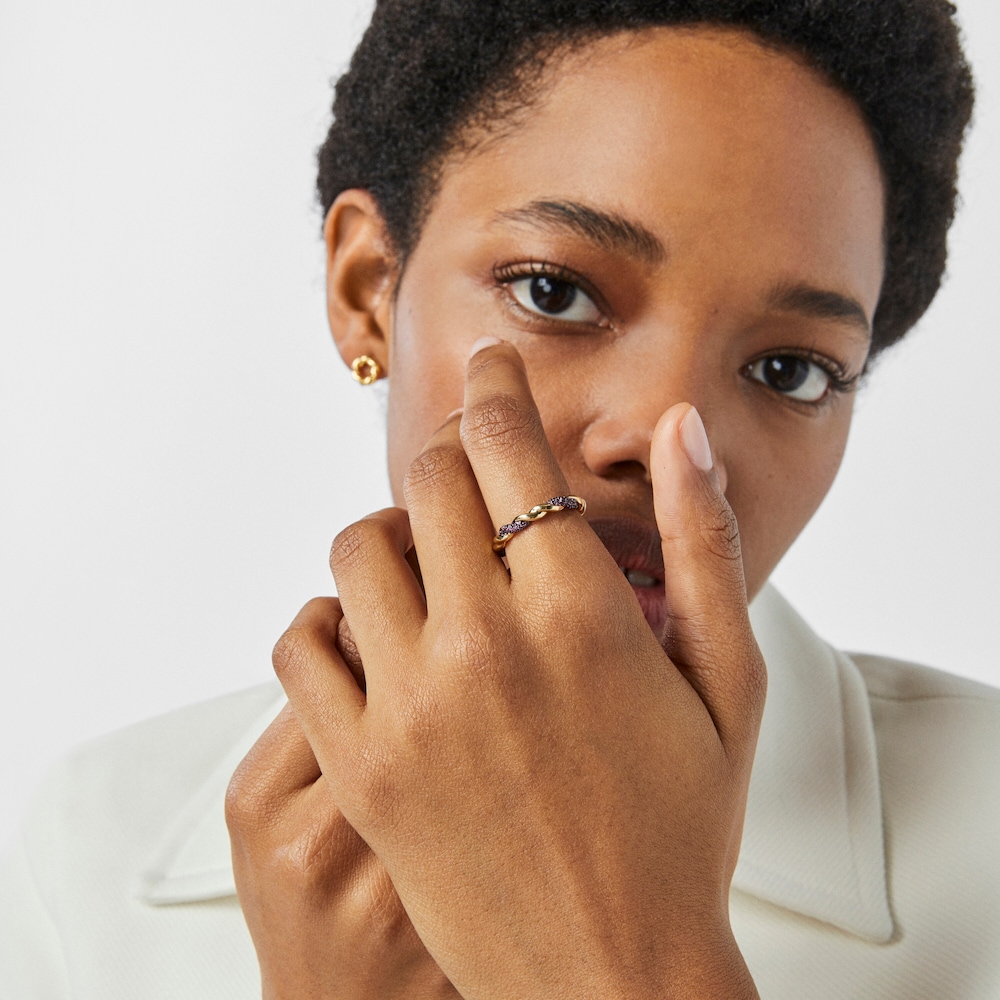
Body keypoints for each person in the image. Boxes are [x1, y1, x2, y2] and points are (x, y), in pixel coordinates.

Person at [2, 0, 998, 997]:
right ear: (367, 288)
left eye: (791, 369)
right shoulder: (88, 862)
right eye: (554, 292)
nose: (660, 436)